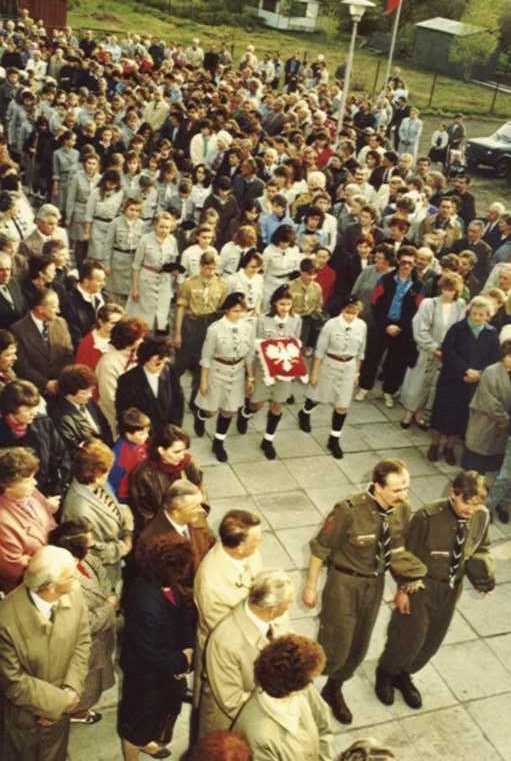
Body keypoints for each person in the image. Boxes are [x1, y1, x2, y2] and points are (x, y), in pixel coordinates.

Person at [303, 459, 426, 724]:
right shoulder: (348, 511)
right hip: (344, 584)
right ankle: (302, 693)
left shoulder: (402, 510)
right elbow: (320, 549)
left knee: (358, 646)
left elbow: (397, 551)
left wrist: (405, 585)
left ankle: (333, 689)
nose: (404, 495)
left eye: (406, 487)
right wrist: (310, 586)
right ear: (377, 486)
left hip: (374, 584)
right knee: (335, 645)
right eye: (397, 490)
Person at [375, 471, 494, 710]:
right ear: (453, 493)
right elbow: (405, 554)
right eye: (467, 503)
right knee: (408, 636)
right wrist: (403, 589)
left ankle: (404, 674)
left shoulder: (481, 516)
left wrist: (483, 576)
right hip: (421, 586)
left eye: (476, 504)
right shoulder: (427, 517)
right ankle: (386, 673)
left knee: (432, 641)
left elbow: (481, 547)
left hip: (451, 589)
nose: (471, 510)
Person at [0, 545, 90, 761]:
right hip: (24, 720)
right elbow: (12, 681)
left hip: (61, 715)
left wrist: (71, 690)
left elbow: (82, 641)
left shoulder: (75, 594)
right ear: (49, 586)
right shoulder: (5, 618)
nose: (77, 580)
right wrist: (58, 703)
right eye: (71, 576)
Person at [118, 535, 196, 761]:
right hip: (146, 676)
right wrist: (181, 662)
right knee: (136, 723)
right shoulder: (145, 600)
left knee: (159, 712)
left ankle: (146, 740)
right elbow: (149, 651)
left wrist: (188, 647)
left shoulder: (166, 584)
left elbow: (182, 615)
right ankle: (134, 752)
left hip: (166, 669)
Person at [198, 570, 293, 739]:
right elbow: (231, 701)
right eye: (288, 603)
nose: (290, 606)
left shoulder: (274, 616)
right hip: (232, 723)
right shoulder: (226, 641)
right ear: (272, 610)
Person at [49, 518, 118, 726]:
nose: (93, 545)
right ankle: (77, 712)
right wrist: (109, 606)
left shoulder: (86, 559)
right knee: (86, 682)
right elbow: (86, 623)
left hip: (101, 636)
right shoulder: (62, 580)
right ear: (75, 549)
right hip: (85, 644)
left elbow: (103, 575)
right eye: (89, 544)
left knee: (97, 674)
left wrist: (108, 595)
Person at [232, 635, 332, 761]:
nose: (311, 684)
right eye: (310, 680)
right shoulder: (258, 736)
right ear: (293, 688)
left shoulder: (304, 687)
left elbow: (324, 727)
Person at [428, 296, 501, 466]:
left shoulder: (491, 333)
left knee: (461, 416)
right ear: (469, 312)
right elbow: (448, 352)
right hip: (451, 378)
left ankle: (450, 447)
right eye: (474, 313)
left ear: (488, 316)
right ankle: (434, 445)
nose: (477, 317)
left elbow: (494, 358)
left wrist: (479, 374)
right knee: (442, 413)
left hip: (473, 383)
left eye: (481, 315)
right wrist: (465, 370)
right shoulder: (457, 328)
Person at [237, 285, 303, 460]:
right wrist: (250, 374)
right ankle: (245, 413)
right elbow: (253, 345)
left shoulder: (296, 320)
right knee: (256, 404)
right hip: (264, 368)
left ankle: (268, 440)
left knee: (277, 404)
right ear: (274, 303)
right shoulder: (263, 320)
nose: (285, 308)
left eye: (288, 304)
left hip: (284, 368)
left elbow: (295, 343)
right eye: (282, 304)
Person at [298, 296, 366, 459]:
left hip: (348, 367)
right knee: (317, 397)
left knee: (342, 406)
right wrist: (314, 373)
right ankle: (304, 412)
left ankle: (334, 439)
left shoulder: (362, 326)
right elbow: (320, 351)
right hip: (330, 365)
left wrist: (357, 373)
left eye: (354, 312)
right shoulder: (331, 324)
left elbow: (360, 352)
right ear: (342, 310)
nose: (350, 315)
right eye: (348, 311)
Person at [356, 247, 424, 408]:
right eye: (404, 262)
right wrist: (386, 325)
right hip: (381, 325)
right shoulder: (385, 279)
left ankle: (388, 391)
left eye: (410, 263)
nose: (406, 266)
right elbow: (375, 303)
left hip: (402, 329)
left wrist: (400, 326)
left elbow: (417, 310)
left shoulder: (418, 286)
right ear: (398, 261)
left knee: (396, 362)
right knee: (372, 357)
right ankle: (364, 387)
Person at [62, 439, 134, 589]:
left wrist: (125, 519)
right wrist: (123, 547)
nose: (108, 474)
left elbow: (114, 508)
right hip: (103, 576)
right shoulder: (79, 509)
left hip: (116, 563)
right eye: (105, 471)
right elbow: (89, 552)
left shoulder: (96, 482)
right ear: (92, 472)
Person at [400, 273, 466, 429]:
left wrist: (449, 351)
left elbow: (460, 330)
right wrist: (433, 347)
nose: (448, 292)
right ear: (441, 288)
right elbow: (420, 328)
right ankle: (409, 412)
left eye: (452, 290)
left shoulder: (460, 305)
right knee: (417, 383)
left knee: (433, 386)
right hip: (426, 350)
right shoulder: (429, 304)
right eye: (446, 288)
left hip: (446, 354)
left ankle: (421, 413)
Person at [194, 292, 255, 462]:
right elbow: (206, 357)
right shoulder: (215, 329)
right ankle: (201, 416)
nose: (239, 314)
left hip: (237, 371)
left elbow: (249, 354)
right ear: (227, 310)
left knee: (229, 410)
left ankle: (218, 442)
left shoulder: (248, 327)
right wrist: (203, 381)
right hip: (217, 371)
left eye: (242, 311)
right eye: (235, 311)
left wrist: (250, 377)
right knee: (211, 410)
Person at [128, 424, 205, 539]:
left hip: (192, 521)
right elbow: (144, 514)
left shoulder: (188, 463)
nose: (182, 456)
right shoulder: (143, 475)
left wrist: (199, 514)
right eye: (177, 452)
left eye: (184, 450)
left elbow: (201, 488)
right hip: (164, 531)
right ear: (161, 450)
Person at [173, 251, 228, 408]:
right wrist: (177, 333)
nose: (210, 272)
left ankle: (195, 401)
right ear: (200, 266)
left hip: (209, 324)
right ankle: (174, 396)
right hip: (191, 325)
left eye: (213, 268)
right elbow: (180, 309)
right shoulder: (189, 284)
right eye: (207, 268)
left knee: (202, 364)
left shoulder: (221, 285)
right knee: (180, 363)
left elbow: (221, 310)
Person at [0, 447, 59, 593]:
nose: (35, 483)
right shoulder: (3, 522)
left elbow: (51, 523)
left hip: (53, 570)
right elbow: (15, 570)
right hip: (32, 588)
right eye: (28, 479)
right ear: (7, 485)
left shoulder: (31, 493)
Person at [0, 380, 71, 497]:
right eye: (28, 409)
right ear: (10, 409)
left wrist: (56, 491)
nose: (34, 412)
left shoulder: (43, 423)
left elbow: (62, 457)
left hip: (50, 493)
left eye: (35, 407)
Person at [136, 479, 214, 574]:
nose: (203, 511)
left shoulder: (195, 523)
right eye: (195, 507)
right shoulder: (153, 543)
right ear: (176, 512)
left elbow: (210, 546)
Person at [11, 287, 74, 397]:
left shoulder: (61, 323)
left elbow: (68, 355)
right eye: (54, 307)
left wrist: (61, 382)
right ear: (40, 309)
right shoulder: (18, 330)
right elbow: (22, 367)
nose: (58, 311)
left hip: (62, 388)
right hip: (35, 392)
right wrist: (46, 384)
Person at [115, 334, 184, 430]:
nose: (161, 367)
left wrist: (174, 429)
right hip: (142, 434)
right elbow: (124, 414)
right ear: (145, 359)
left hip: (167, 433)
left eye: (164, 362)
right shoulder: (127, 381)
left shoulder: (170, 372)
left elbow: (178, 403)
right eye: (157, 363)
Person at [462, 340, 511, 473]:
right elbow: (490, 402)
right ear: (503, 356)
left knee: (491, 466)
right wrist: (506, 420)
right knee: (475, 465)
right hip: (485, 421)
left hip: (501, 430)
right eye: (509, 356)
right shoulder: (491, 371)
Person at [126, 211, 180, 332]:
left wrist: (171, 283)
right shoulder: (145, 240)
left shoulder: (172, 241)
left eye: (167, 227)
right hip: (146, 280)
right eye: (161, 226)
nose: (164, 230)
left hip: (164, 280)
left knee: (160, 314)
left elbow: (172, 263)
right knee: (141, 315)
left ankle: (154, 337)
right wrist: (135, 288)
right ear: (155, 225)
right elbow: (136, 266)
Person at [96, 316, 148, 435]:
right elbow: (110, 399)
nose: (143, 341)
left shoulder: (135, 356)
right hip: (118, 423)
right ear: (129, 340)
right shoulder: (108, 363)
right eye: (140, 338)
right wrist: (133, 421)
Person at [50, 363, 113, 451]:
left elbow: (105, 427)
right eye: (84, 393)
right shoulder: (61, 418)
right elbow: (73, 449)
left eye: (91, 390)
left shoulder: (89, 402)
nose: (90, 395)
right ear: (69, 394)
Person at [62, 260, 108, 349]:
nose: (103, 284)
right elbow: (74, 337)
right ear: (86, 281)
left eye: (104, 280)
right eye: (99, 281)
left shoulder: (103, 297)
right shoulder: (69, 302)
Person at [109, 407, 150, 502]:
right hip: (128, 497)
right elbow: (112, 484)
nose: (147, 436)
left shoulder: (140, 442)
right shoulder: (118, 455)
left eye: (147, 431)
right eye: (142, 434)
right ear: (128, 434)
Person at [75, 302, 125, 371]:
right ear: (101, 322)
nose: (118, 326)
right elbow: (82, 372)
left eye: (120, 323)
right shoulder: (88, 344)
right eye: (113, 323)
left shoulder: (122, 339)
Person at [0, 250, 27, 329]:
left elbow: (24, 307)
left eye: (8, 269)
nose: (6, 274)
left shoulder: (14, 283)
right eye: (1, 270)